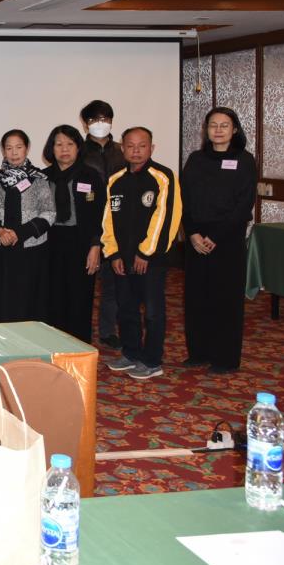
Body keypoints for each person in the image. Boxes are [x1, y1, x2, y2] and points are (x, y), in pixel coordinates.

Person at [102, 127, 182, 381]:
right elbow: (107, 220)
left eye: (142, 145)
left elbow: (165, 219)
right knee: (126, 308)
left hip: (151, 259)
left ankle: (152, 360)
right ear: (122, 148)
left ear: (152, 148)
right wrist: (113, 253)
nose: (136, 151)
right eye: (130, 146)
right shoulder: (115, 180)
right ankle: (131, 352)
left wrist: (145, 252)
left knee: (153, 311)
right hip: (122, 258)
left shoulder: (163, 177)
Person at [181, 108, 256, 374]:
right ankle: (199, 352)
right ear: (206, 129)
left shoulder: (244, 160)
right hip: (196, 238)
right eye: (213, 125)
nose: (219, 130)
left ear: (235, 129)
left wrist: (215, 236)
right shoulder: (196, 159)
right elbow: (184, 199)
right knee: (197, 297)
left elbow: (243, 204)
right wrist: (192, 233)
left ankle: (225, 358)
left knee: (225, 301)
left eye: (225, 125)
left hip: (228, 238)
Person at [43, 125, 106, 343]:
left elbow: (100, 214)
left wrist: (95, 246)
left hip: (81, 243)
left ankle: (79, 348)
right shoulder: (43, 177)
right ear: (51, 148)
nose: (64, 149)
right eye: (59, 144)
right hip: (50, 243)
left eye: (70, 144)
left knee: (80, 298)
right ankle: (53, 345)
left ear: (78, 147)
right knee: (52, 297)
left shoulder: (90, 176)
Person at [0, 129, 56, 323]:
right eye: (9, 148)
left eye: (18, 147)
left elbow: (49, 213)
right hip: (1, 249)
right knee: (2, 301)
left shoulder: (39, 179)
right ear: (3, 151)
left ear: (26, 149)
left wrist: (20, 233)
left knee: (29, 301)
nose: (14, 152)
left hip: (31, 250)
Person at [80, 99, 126, 349]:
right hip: (87, 222)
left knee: (113, 283)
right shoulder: (79, 151)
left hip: (117, 224)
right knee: (83, 282)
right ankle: (79, 329)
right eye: (94, 119)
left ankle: (108, 330)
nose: (100, 123)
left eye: (105, 119)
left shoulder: (122, 150)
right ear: (85, 123)